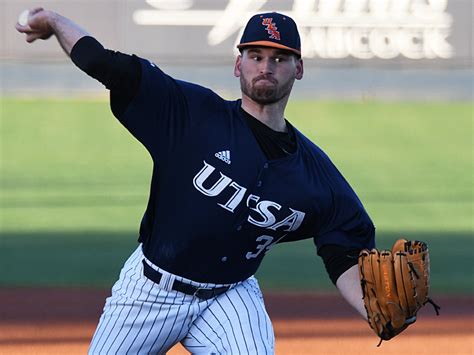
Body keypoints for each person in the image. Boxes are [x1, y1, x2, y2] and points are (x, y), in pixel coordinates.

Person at [16, 8, 375, 354]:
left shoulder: (316, 175)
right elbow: (102, 62)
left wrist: (375, 312)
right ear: (238, 64)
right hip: (150, 291)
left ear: (298, 69)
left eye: (279, 59)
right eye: (256, 55)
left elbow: (343, 250)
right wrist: (54, 21)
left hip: (230, 295)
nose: (266, 66)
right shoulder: (190, 114)